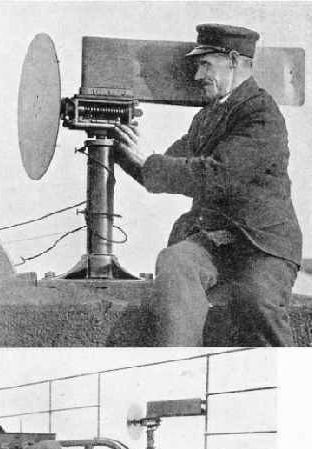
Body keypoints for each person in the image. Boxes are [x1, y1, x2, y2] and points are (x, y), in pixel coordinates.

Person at [113, 23, 302, 346]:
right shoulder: (207, 116)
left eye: (205, 64)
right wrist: (119, 146)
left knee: (257, 302)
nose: (198, 76)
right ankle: (179, 370)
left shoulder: (261, 112)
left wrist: (151, 161)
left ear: (232, 60)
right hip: (216, 242)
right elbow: (162, 170)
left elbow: (218, 175)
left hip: (261, 244)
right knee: (175, 260)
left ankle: (288, 385)